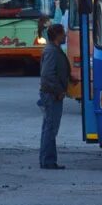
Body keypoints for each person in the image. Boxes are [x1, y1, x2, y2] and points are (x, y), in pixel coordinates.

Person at [38, 23, 79, 169]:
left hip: (52, 94)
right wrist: (59, 91)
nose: (66, 36)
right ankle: (48, 161)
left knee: (49, 128)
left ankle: (47, 160)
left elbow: (57, 70)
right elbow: (47, 75)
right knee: (50, 129)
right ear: (57, 35)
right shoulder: (51, 51)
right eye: (63, 33)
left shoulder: (54, 49)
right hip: (52, 96)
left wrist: (70, 78)